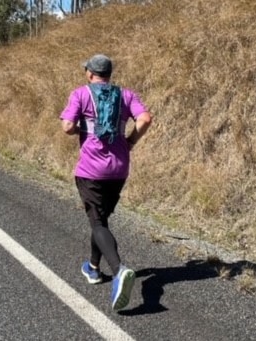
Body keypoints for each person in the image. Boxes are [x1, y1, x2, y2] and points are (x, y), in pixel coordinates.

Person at [60, 54, 152, 310]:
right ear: (109, 74)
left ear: (90, 74)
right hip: (119, 170)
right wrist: (131, 141)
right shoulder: (126, 95)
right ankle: (92, 268)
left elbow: (67, 126)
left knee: (97, 221)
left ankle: (119, 269)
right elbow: (145, 119)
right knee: (100, 219)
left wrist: (81, 129)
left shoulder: (80, 94)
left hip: (91, 170)